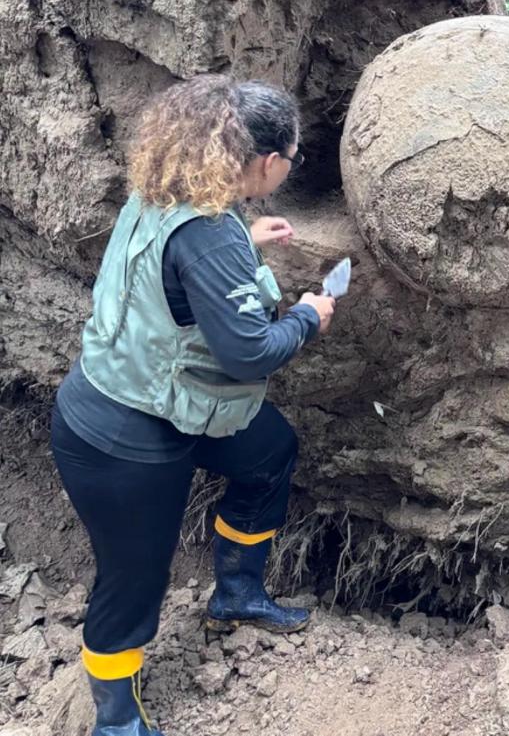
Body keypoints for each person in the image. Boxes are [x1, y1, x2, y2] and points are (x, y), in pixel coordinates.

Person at [50, 75, 337, 736]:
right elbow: (249, 353)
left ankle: (237, 593)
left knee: (268, 449)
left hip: (165, 396)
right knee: (133, 577)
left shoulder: (169, 186)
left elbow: (183, 268)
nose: (289, 168)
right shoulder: (208, 234)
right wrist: (307, 316)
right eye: (290, 159)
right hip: (119, 434)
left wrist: (247, 241)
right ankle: (117, 721)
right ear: (266, 162)